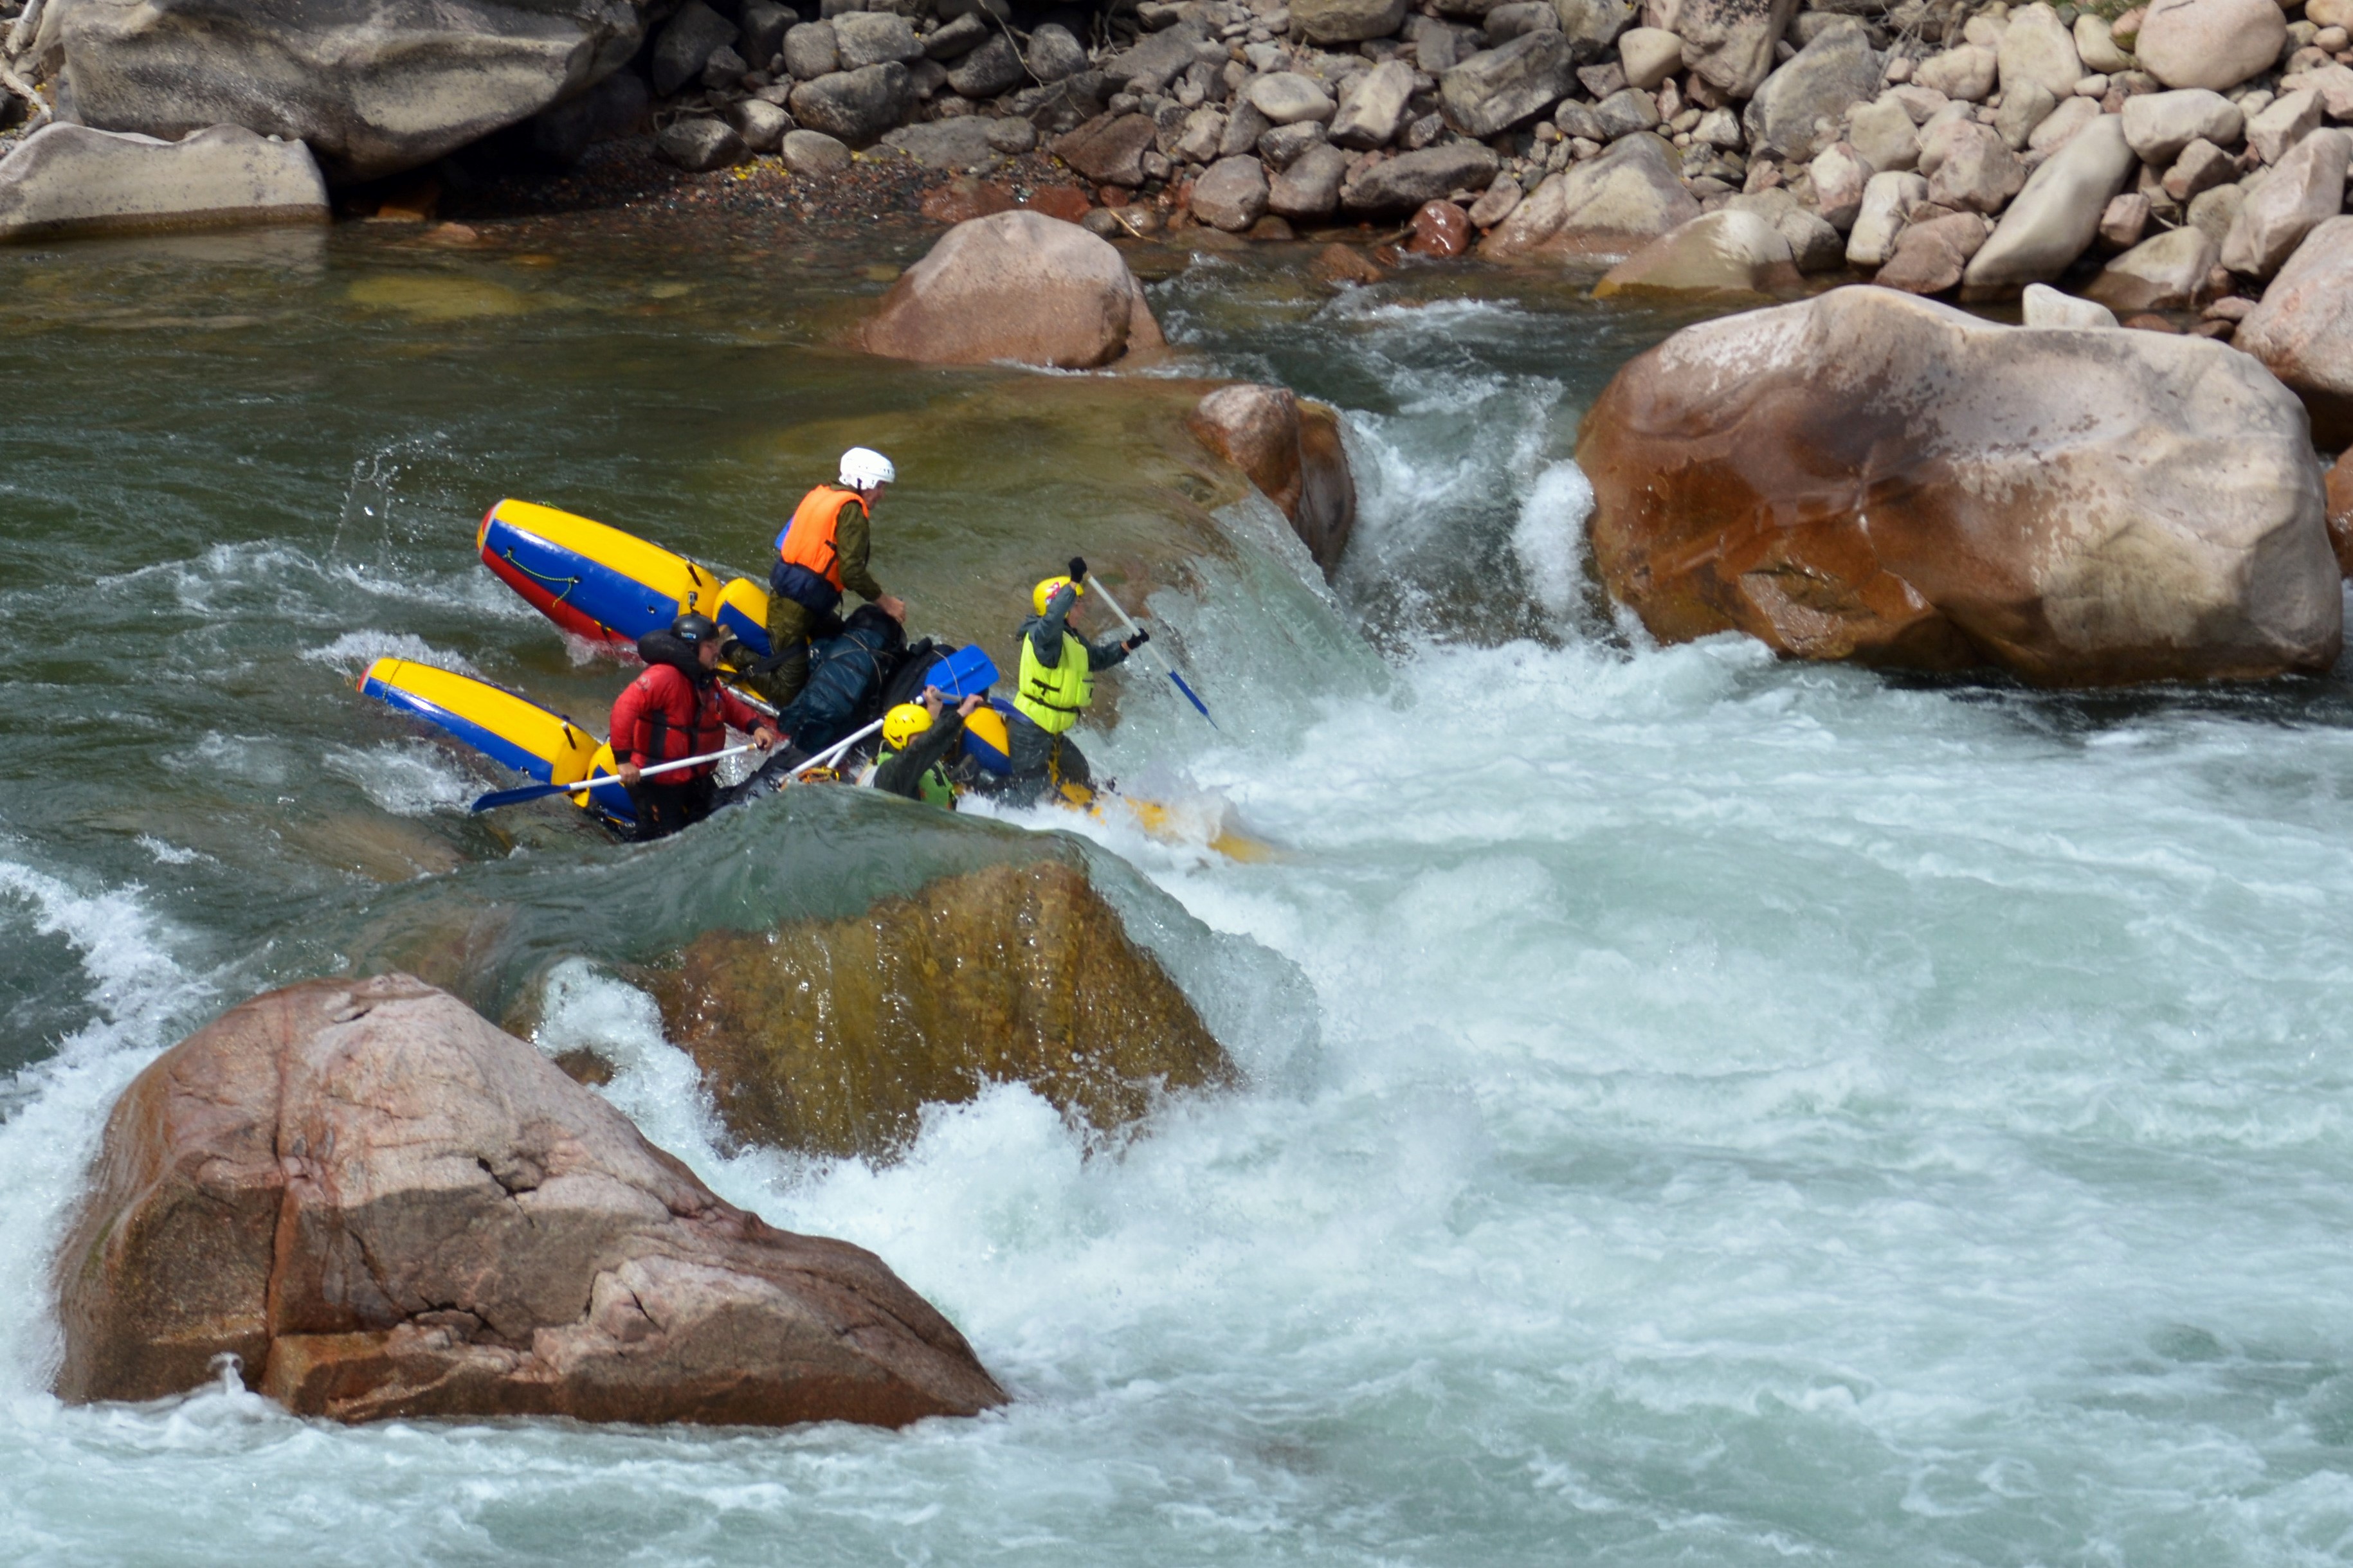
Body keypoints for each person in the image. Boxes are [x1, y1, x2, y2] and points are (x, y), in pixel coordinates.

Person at [736, 446, 907, 710]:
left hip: (802, 599)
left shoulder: (822, 495)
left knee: (843, 641)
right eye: (880, 486)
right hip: (794, 610)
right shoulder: (852, 511)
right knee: (787, 695)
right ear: (864, 482)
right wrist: (887, 603)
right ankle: (731, 650)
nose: (882, 495)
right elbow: (852, 573)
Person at [610, 612, 781, 841]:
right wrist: (622, 760)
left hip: (693, 779)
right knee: (674, 842)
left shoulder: (704, 679)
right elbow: (625, 707)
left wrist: (756, 727)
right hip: (657, 784)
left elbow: (727, 705)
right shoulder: (664, 677)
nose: (717, 651)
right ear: (691, 649)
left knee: (721, 823)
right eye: (710, 646)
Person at [1003, 556, 1148, 807]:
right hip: (1030, 730)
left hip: (1051, 731)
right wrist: (1073, 583)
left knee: (1080, 771)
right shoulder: (1043, 636)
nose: (1083, 609)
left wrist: (1128, 646)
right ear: (1062, 605)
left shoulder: (1073, 640)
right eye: (1078, 603)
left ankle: (1077, 803)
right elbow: (1051, 620)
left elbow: (1098, 659)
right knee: (1032, 789)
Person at [873, 689, 986, 809]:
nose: (925, 738)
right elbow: (925, 746)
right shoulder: (892, 771)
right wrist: (961, 713)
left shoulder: (907, 749)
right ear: (899, 738)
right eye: (919, 738)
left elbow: (927, 738)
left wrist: (933, 708)